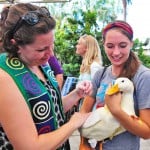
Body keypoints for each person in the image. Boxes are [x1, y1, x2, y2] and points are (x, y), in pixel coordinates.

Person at [0, 3, 92, 150]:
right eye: (42, 49)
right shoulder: (5, 76)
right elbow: (29, 146)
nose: (50, 54)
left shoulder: (41, 63)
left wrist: (76, 94)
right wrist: (73, 123)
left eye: (51, 45)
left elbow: (50, 109)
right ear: (16, 44)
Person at [79, 20, 150, 150]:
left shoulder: (143, 76)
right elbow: (83, 112)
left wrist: (116, 110)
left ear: (131, 44)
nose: (116, 53)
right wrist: (84, 141)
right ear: (103, 45)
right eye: (110, 46)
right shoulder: (100, 74)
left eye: (122, 45)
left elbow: (146, 132)